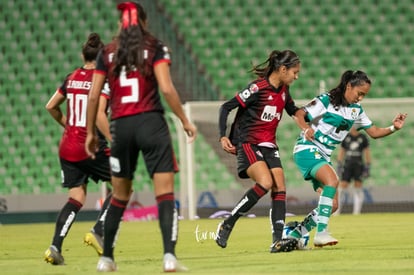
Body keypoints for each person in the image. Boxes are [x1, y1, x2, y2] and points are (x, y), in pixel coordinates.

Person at [84, 1, 197, 272]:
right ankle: (169, 257)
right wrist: (184, 119)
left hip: (120, 127)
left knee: (119, 195)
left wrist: (90, 132)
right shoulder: (155, 47)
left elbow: (93, 95)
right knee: (165, 193)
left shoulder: (107, 53)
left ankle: (106, 259)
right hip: (151, 124)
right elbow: (167, 89)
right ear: (144, 22)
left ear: (120, 24)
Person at [286, 70, 407, 247]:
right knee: (333, 181)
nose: (360, 98)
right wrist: (306, 129)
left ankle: (295, 234)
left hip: (323, 156)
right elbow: (299, 114)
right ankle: (321, 233)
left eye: (364, 95)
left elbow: (373, 132)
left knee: (333, 205)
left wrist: (393, 128)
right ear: (349, 86)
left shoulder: (357, 110)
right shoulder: (326, 100)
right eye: (359, 93)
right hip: (307, 149)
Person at [215, 49, 302, 253]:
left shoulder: (284, 90)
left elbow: (292, 110)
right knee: (265, 183)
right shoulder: (257, 88)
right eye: (294, 72)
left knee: (280, 187)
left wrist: (310, 119)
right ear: (282, 69)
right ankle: (228, 223)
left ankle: (277, 241)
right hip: (248, 143)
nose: (296, 77)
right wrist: (223, 136)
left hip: (269, 145)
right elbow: (226, 107)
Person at [44, 33, 112, 265]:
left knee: (76, 197)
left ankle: (55, 247)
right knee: (124, 186)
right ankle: (99, 231)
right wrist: (112, 139)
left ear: (83, 55)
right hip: (90, 145)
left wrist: (67, 124)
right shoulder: (102, 80)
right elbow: (100, 113)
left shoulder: (71, 77)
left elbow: (51, 106)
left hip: (67, 146)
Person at [336, 127, 371, 215]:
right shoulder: (346, 137)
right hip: (347, 165)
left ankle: (356, 212)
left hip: (358, 165)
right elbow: (342, 150)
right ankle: (337, 211)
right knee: (342, 186)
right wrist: (339, 164)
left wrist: (367, 165)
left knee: (358, 186)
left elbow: (367, 151)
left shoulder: (363, 137)